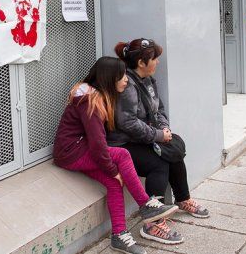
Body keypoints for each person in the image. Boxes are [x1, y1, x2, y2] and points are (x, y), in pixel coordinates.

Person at [53, 56, 182, 254]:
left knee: (114, 183)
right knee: (122, 155)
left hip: (79, 149)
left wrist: (113, 174)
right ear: (108, 78)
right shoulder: (90, 101)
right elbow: (97, 146)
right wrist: (112, 170)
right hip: (72, 152)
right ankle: (145, 204)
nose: (126, 80)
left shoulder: (98, 95)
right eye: (121, 76)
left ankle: (119, 235)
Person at [110, 38, 210, 224]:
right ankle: (154, 221)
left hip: (145, 137)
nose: (157, 62)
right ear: (141, 63)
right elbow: (128, 123)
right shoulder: (128, 86)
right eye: (154, 59)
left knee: (174, 151)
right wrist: (157, 135)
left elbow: (159, 110)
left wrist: (164, 129)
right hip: (125, 143)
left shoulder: (148, 81)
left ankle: (183, 199)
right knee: (159, 163)